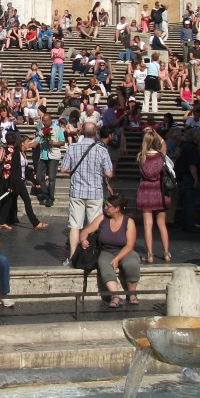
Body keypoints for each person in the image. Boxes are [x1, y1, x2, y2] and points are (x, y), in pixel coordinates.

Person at [63, 121, 113, 264]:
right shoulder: (101, 150)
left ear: (81, 132)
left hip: (77, 191)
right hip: (95, 192)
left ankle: (72, 257)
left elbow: (63, 169)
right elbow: (109, 173)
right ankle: (91, 255)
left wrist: (76, 170)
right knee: (94, 225)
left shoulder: (72, 148)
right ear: (96, 133)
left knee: (75, 226)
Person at [78, 193, 141, 308]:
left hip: (125, 251)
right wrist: (83, 239)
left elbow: (130, 245)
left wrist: (117, 258)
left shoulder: (128, 222)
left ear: (117, 208)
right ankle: (115, 295)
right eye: (105, 205)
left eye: (108, 206)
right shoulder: (102, 218)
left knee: (131, 263)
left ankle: (132, 293)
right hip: (106, 251)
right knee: (104, 263)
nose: (105, 208)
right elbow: (85, 231)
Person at [134, 129, 170, 263]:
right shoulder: (160, 155)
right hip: (159, 189)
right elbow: (164, 144)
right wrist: (156, 134)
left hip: (145, 190)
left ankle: (149, 255)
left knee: (147, 225)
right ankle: (166, 253)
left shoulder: (141, 156)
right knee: (162, 224)